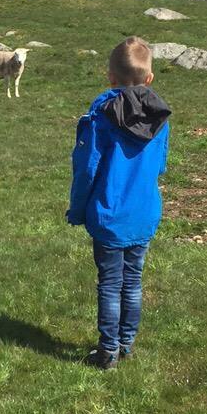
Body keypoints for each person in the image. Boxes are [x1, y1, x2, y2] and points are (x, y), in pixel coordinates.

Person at [66, 36, 171, 369]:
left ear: (110, 77)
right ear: (149, 78)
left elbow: (87, 168)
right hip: (143, 213)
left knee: (111, 284)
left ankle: (109, 349)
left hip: (109, 214)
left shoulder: (100, 117)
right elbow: (162, 164)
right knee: (134, 280)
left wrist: (78, 209)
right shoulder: (160, 117)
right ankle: (126, 342)